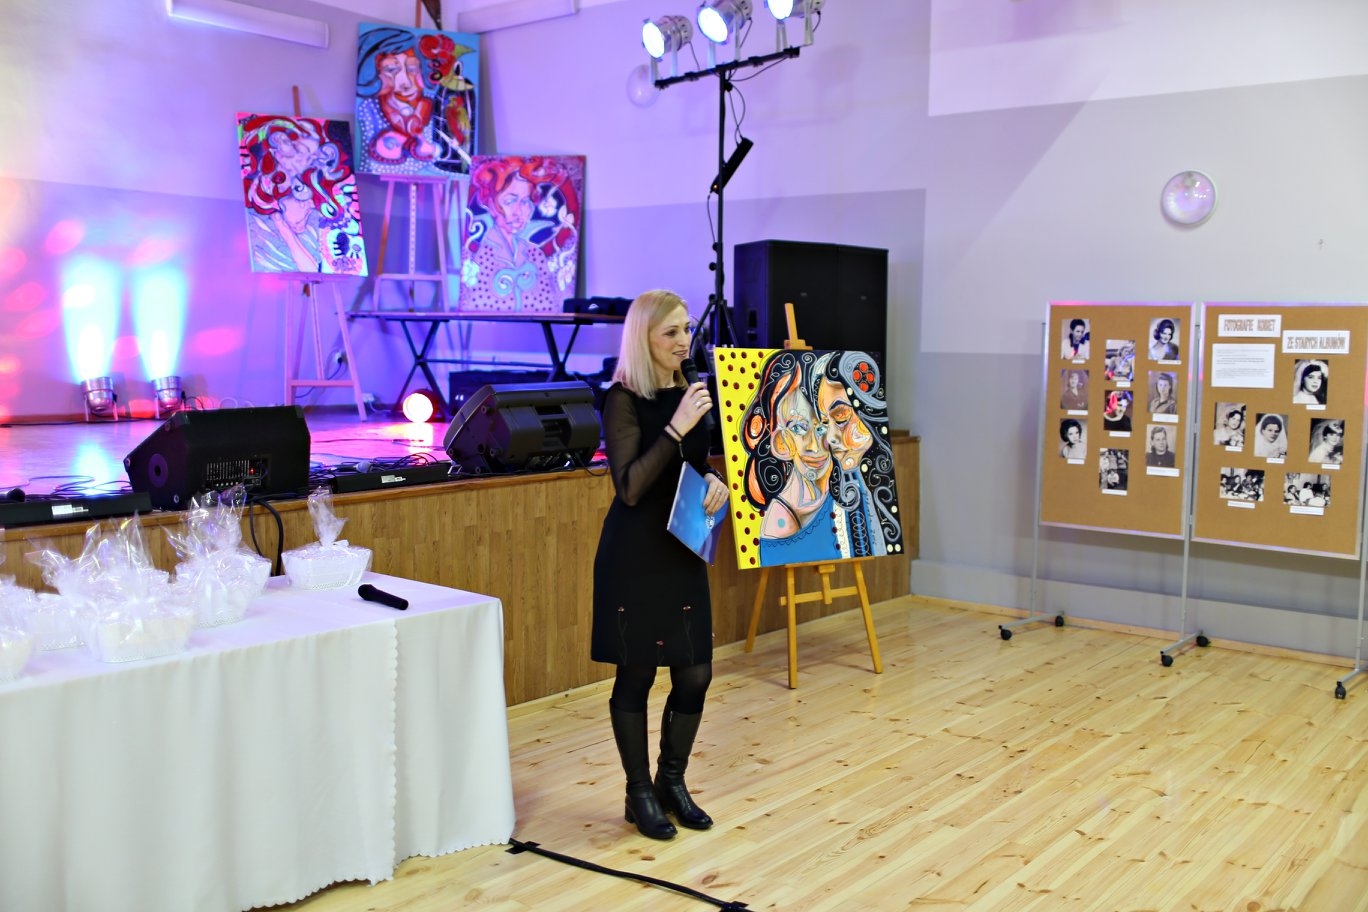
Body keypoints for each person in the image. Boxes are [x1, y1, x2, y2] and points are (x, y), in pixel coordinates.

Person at [592, 290, 729, 840]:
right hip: (635, 553)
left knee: (695, 671)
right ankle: (639, 792)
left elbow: (692, 465)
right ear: (643, 338)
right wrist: (676, 427)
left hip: (681, 547)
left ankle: (671, 782)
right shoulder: (622, 399)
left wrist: (713, 480)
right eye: (670, 332)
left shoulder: (689, 393)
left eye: (687, 329)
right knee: (638, 673)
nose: (684, 341)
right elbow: (629, 487)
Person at [740, 350, 900, 564]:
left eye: (822, 426)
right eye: (798, 427)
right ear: (780, 442)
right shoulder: (780, 524)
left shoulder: (850, 486)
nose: (814, 446)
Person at [460, 156, 568, 313]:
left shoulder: (535, 255)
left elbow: (549, 307)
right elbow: (476, 307)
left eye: (525, 202)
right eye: (510, 202)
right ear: (491, 204)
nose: (519, 212)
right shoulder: (482, 257)